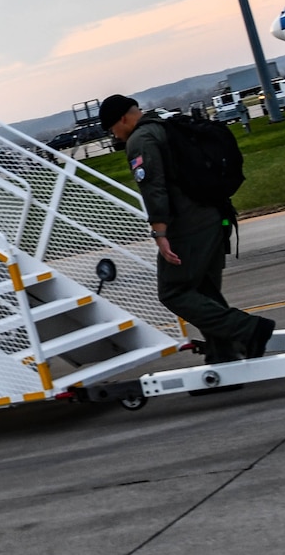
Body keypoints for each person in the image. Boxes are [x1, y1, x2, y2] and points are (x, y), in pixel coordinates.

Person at [100, 94, 274, 363]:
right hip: (218, 215)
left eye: (113, 129)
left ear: (123, 118)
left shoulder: (141, 140)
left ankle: (250, 330)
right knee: (203, 291)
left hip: (191, 226)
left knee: (174, 292)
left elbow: (153, 188)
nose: (116, 136)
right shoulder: (167, 124)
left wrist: (160, 233)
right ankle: (223, 355)